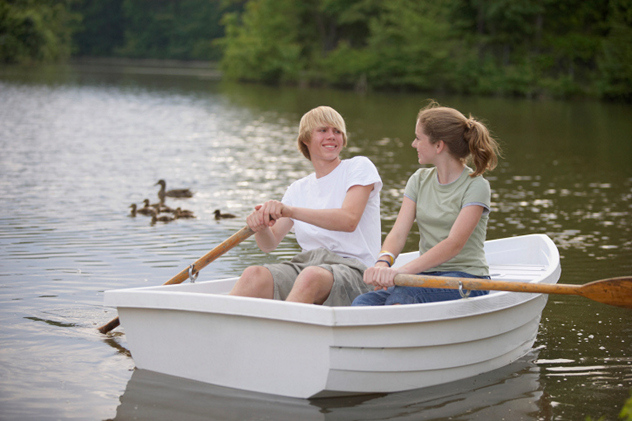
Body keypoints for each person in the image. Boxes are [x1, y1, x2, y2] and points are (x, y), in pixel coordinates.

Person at [229, 106, 382, 306]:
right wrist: (261, 225)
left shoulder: (358, 167)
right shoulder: (297, 189)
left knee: (310, 277)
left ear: (343, 140)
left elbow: (348, 220)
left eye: (337, 132)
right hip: (308, 265)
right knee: (253, 274)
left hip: (357, 271)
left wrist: (290, 211)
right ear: (306, 140)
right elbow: (269, 244)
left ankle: (284, 332)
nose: (331, 136)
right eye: (323, 130)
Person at [352, 101, 501, 306]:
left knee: (405, 298)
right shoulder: (419, 179)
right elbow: (398, 233)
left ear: (438, 145)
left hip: (467, 280)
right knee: (363, 303)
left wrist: (401, 271)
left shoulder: (476, 185)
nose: (413, 144)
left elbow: (453, 244)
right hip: (424, 276)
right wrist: (383, 262)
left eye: (418, 138)